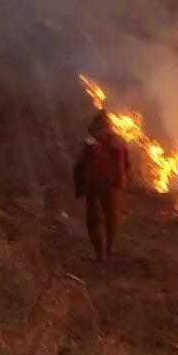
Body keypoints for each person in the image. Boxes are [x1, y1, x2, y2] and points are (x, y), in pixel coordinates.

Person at [72, 110, 130, 261]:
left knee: (95, 219)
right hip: (114, 186)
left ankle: (100, 254)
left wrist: (79, 186)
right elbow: (127, 165)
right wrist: (121, 180)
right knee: (111, 218)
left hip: (94, 186)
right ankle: (109, 249)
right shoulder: (119, 143)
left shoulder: (90, 143)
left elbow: (80, 166)